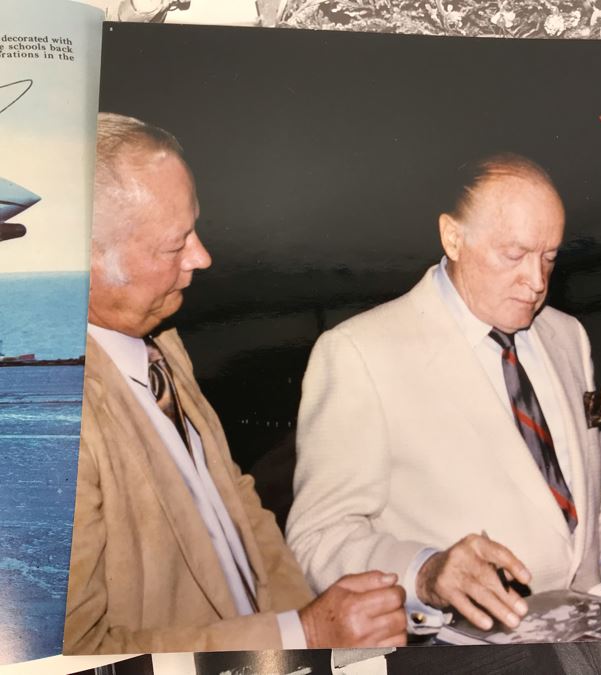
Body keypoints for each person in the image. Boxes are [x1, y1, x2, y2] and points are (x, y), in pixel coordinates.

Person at [64, 113, 407, 654]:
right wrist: (305, 632)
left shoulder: (163, 347)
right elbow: (75, 653)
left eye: (194, 228)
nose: (202, 257)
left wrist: (315, 642)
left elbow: (238, 505)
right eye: (174, 245)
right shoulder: (44, 419)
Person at [286, 153, 601, 633]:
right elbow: (318, 536)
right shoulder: (359, 352)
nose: (536, 282)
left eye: (549, 258)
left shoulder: (568, 336)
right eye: (514, 255)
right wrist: (425, 570)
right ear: (453, 237)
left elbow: (588, 487)